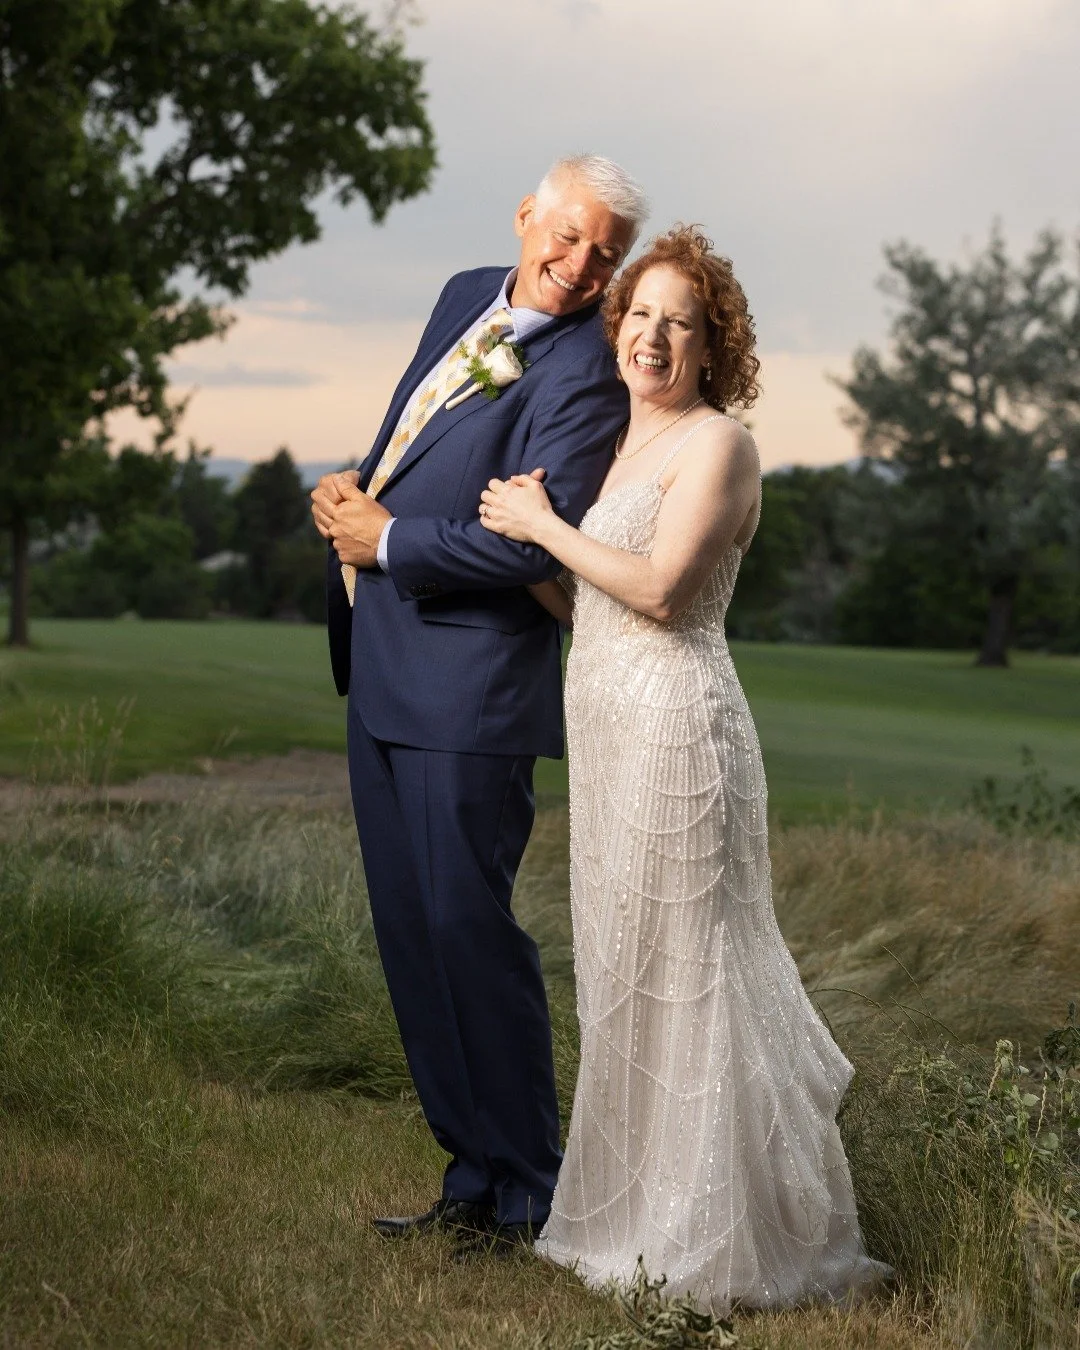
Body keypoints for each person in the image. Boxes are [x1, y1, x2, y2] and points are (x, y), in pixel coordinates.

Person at [478, 225, 891, 1312]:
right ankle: (634, 1217)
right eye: (642, 316)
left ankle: (723, 1245)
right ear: (619, 331)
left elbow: (660, 594)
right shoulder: (617, 442)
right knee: (624, 974)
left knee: (692, 971)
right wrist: (526, 559)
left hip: (678, 735)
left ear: (715, 348)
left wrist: (539, 525)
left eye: (682, 323)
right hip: (608, 737)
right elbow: (595, 605)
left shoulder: (719, 446)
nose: (655, 337)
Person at [309, 155, 648, 1259]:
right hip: (382, 665)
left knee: (470, 932)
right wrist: (353, 493)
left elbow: (526, 543)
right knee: (413, 937)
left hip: (472, 691)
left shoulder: (588, 372)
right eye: (568, 236)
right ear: (525, 219)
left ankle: (532, 1194)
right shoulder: (464, 293)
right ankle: (469, 1173)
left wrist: (391, 543)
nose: (581, 265)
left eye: (604, 252)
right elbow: (417, 435)